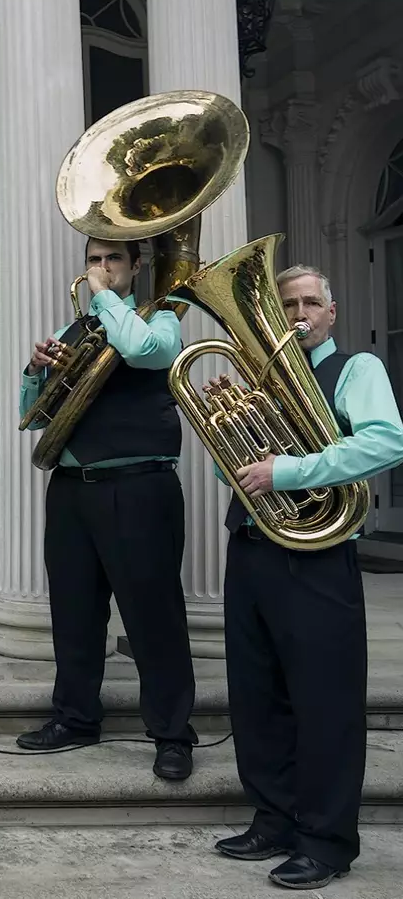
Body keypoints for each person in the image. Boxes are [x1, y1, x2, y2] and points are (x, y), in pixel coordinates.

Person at [210, 264, 403, 890]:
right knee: (256, 696)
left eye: (310, 303)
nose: (298, 314)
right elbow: (235, 473)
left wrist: (285, 472)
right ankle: (273, 819)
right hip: (253, 548)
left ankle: (326, 840)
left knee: (325, 703)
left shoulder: (357, 369)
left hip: (317, 555)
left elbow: (386, 442)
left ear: (331, 311)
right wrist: (229, 433)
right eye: (287, 303)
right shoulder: (260, 377)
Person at [15, 237, 197, 781]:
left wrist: (106, 299)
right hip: (73, 488)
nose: (100, 269)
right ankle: (75, 717)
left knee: (153, 618)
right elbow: (37, 417)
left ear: (136, 266)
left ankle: (171, 733)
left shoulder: (161, 318)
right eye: (93, 260)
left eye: (113, 259)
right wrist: (35, 370)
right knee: (74, 613)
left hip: (138, 487)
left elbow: (144, 352)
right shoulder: (77, 331)